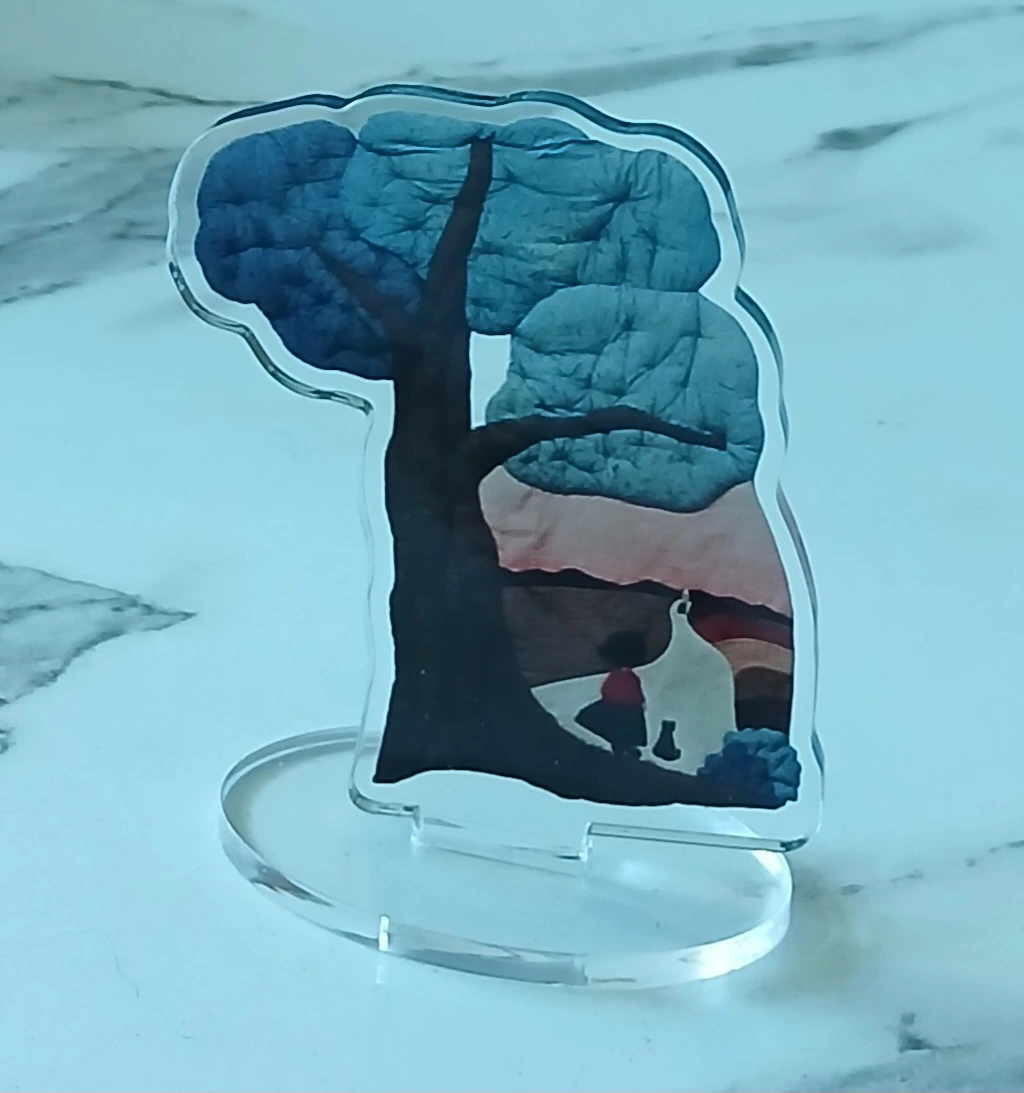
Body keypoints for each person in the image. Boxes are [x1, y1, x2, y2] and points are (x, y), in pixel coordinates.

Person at [575, 630, 648, 758]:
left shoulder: (622, 676)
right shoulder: (625, 675)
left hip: (619, 712)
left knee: (590, 719)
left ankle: (623, 750)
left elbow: (615, 694)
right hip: (623, 712)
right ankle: (624, 750)